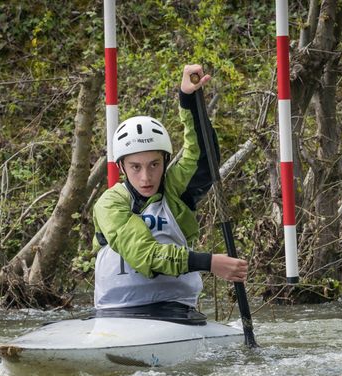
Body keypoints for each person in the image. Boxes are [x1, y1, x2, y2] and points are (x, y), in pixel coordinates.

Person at [92, 64, 248, 320]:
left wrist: (188, 98)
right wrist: (209, 262)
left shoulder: (175, 191)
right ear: (121, 166)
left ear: (165, 161)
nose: (146, 177)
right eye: (135, 167)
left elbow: (202, 156)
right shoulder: (110, 203)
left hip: (178, 312)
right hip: (116, 313)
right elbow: (145, 255)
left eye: (154, 165)